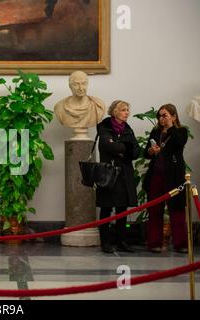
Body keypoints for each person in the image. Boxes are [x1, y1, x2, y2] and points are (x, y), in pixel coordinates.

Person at [96, 100, 140, 254]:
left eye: (128, 109)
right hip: (109, 173)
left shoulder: (128, 129)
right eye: (123, 110)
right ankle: (105, 242)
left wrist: (122, 149)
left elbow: (136, 152)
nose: (127, 112)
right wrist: (124, 147)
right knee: (106, 208)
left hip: (124, 174)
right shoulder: (104, 127)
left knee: (122, 209)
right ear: (115, 111)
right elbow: (108, 145)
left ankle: (121, 241)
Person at [143, 104, 188, 254]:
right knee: (155, 209)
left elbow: (179, 143)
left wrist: (170, 127)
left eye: (165, 115)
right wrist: (151, 150)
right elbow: (146, 154)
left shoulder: (181, 131)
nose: (161, 119)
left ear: (174, 117)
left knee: (177, 209)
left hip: (174, 177)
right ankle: (154, 243)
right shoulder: (155, 132)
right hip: (156, 175)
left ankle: (180, 244)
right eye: (160, 116)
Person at [54, 70, 105, 139]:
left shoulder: (98, 106)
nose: (81, 88)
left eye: (84, 84)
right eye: (76, 84)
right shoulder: (60, 107)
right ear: (70, 86)